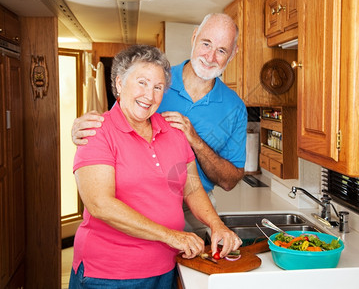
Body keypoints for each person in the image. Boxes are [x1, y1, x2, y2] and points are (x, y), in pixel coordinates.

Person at [69, 45, 241, 289]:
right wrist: (171, 236)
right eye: (141, 82)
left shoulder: (173, 130)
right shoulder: (97, 131)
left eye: (158, 87)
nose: (149, 95)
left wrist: (217, 225)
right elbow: (100, 205)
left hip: (166, 267)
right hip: (109, 276)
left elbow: (191, 188)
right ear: (119, 83)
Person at [71, 13, 248, 240]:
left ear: (233, 54)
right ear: (194, 37)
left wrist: (195, 140)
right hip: (139, 200)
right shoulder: (156, 77)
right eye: (206, 43)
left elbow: (226, 180)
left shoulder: (235, 108)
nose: (211, 56)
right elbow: (114, 122)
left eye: (222, 50)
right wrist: (81, 128)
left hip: (198, 205)